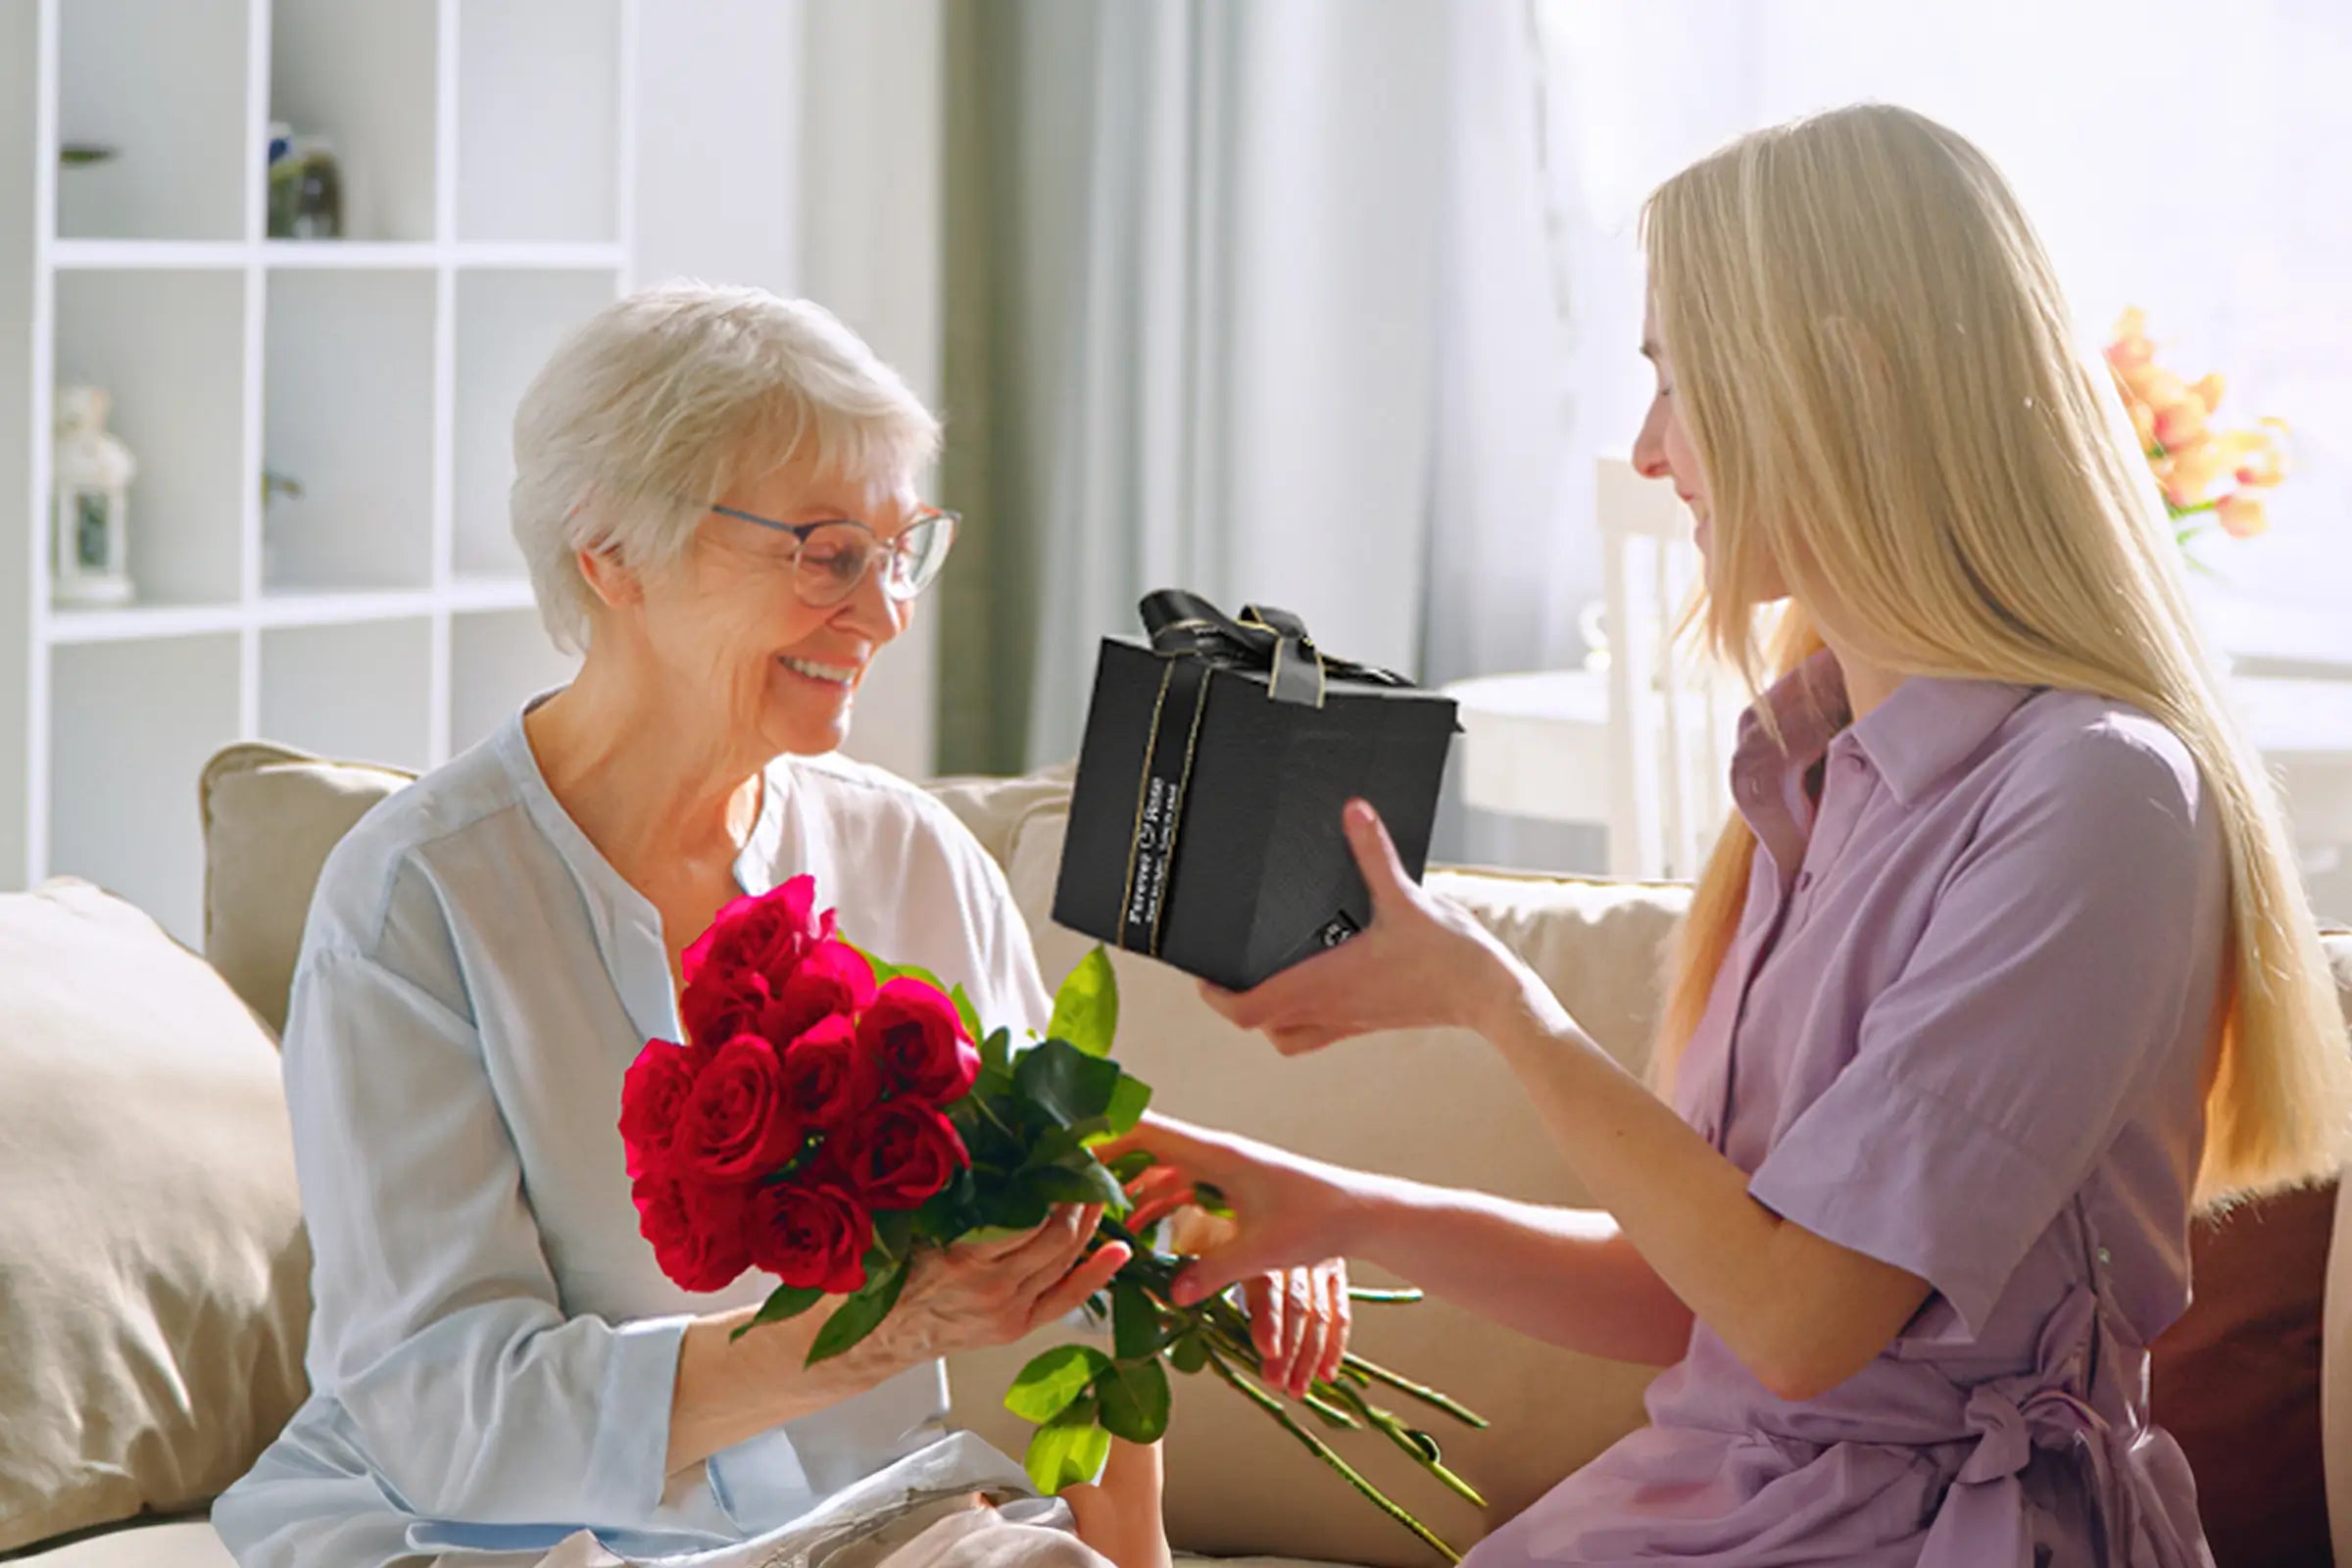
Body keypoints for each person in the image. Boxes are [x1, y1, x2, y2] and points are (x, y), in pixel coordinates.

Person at [1110, 104, 2352, 1565]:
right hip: (1730, 1508)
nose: (1648, 452)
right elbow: (1704, 1297)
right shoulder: (1811, 771)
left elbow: (1804, 1325)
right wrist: (1339, 1210)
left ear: (1845, 382)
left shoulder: (2094, 794)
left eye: (1676, 382)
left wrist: (1500, 1008)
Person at [214, 283, 1348, 1568]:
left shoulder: (909, 861)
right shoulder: (417, 902)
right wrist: (878, 1335)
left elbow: (1081, 1270)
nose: (882, 614)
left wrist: (1206, 1236)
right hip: (486, 1539)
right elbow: (448, 1412)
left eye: (899, 547)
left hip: (862, 1521)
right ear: (613, 557)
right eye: (825, 555)